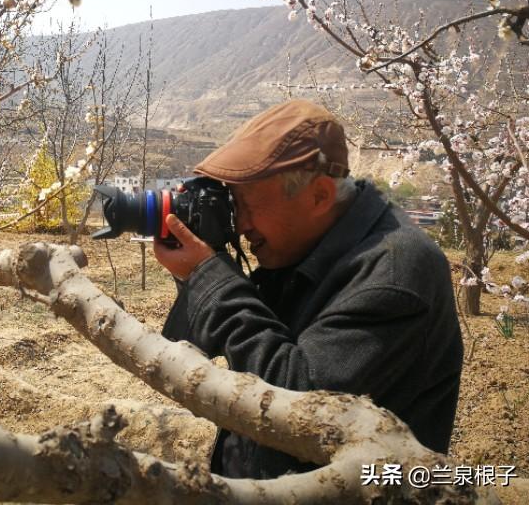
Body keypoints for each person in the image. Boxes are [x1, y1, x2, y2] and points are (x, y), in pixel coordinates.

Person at [153, 99, 463, 480]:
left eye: (247, 203)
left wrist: (209, 275)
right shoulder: (308, 244)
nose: (241, 223)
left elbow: (298, 402)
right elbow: (203, 350)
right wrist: (199, 272)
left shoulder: (395, 272)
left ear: (318, 196)